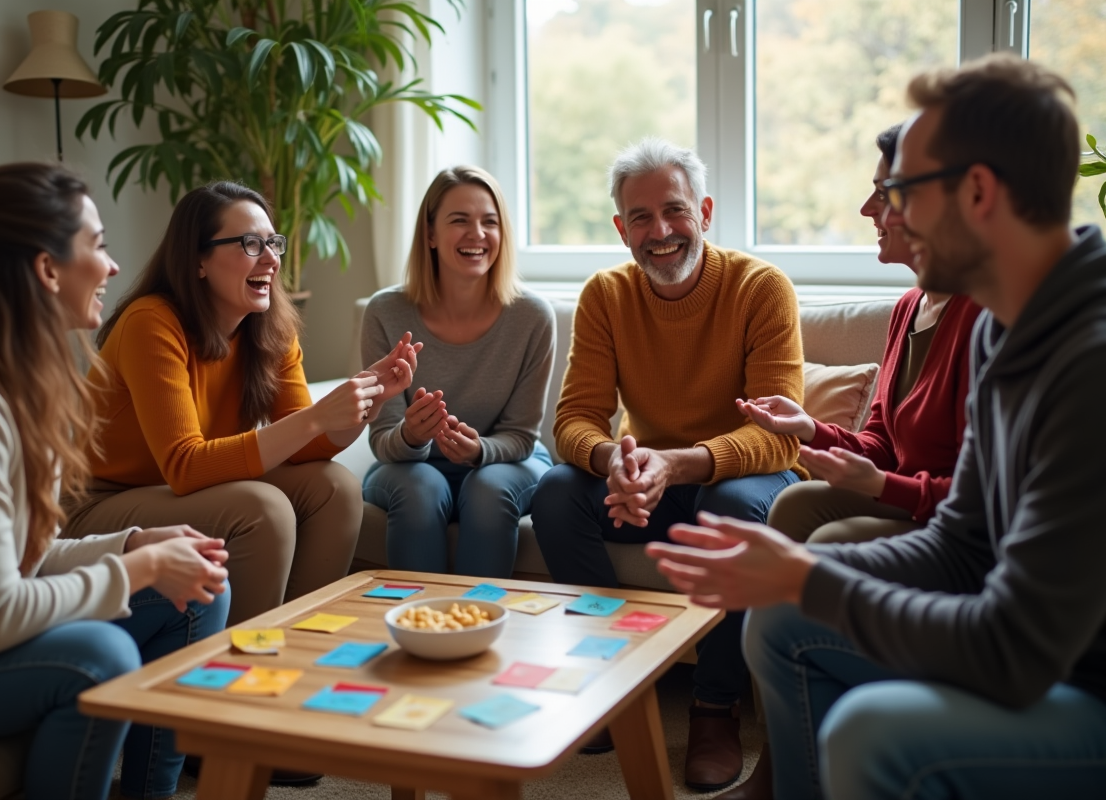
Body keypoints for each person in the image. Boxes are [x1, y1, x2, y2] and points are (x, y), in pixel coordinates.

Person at [648, 54, 1106, 800]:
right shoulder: (1007, 328)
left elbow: (1014, 649)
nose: (886, 213)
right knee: (780, 621)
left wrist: (809, 575)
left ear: (979, 193)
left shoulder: (1088, 359)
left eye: (901, 191)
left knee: (873, 731)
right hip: (1031, 652)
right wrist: (797, 580)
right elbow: (961, 543)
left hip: (1077, 686)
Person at [0, 163, 230, 800]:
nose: (112, 267)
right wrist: (137, 571)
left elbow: (24, 557)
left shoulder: (21, 383)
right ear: (47, 269)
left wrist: (133, 545)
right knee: (99, 655)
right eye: (98, 244)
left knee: (198, 589)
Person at [530, 137, 806, 791]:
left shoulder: (761, 287)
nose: (661, 233)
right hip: (649, 476)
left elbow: (779, 438)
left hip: (740, 480)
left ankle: (715, 707)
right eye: (642, 218)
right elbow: (573, 420)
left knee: (730, 507)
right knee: (556, 493)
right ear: (621, 228)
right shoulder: (606, 294)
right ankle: (609, 677)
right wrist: (614, 461)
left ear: (704, 211)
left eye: (674, 211)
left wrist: (675, 465)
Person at [62, 181, 420, 628]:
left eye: (273, 242)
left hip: (186, 491)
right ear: (198, 261)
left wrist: (363, 400)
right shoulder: (151, 323)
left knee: (336, 488)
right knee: (262, 506)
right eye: (251, 244)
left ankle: (297, 638)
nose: (271, 258)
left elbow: (306, 444)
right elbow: (185, 466)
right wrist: (316, 417)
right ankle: (245, 656)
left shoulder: (271, 328)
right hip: (101, 504)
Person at [736, 125, 982, 545]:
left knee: (827, 539)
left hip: (952, 521)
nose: (869, 210)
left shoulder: (980, 316)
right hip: (904, 498)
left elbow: (977, 493)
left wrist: (882, 486)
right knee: (794, 503)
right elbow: (881, 445)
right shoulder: (908, 308)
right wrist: (808, 427)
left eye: (884, 194)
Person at [361, 166, 556, 577]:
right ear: (429, 234)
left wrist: (479, 452)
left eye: (490, 222)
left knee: (489, 490)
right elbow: (382, 439)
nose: (478, 234)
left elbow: (522, 435)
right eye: (459, 221)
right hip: (411, 467)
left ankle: (478, 622)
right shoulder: (385, 312)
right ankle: (419, 626)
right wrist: (413, 436)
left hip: (507, 459)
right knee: (419, 490)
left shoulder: (532, 317)